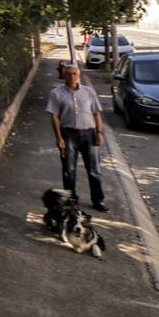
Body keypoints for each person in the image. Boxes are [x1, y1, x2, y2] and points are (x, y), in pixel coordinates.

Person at [45, 64, 109, 212]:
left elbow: (96, 113)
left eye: (74, 73)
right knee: (69, 170)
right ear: (64, 76)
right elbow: (54, 116)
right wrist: (59, 137)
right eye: (68, 74)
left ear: (78, 75)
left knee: (94, 170)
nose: (72, 76)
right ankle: (71, 201)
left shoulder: (88, 92)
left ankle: (98, 200)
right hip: (68, 135)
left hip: (89, 134)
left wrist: (99, 133)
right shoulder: (56, 93)